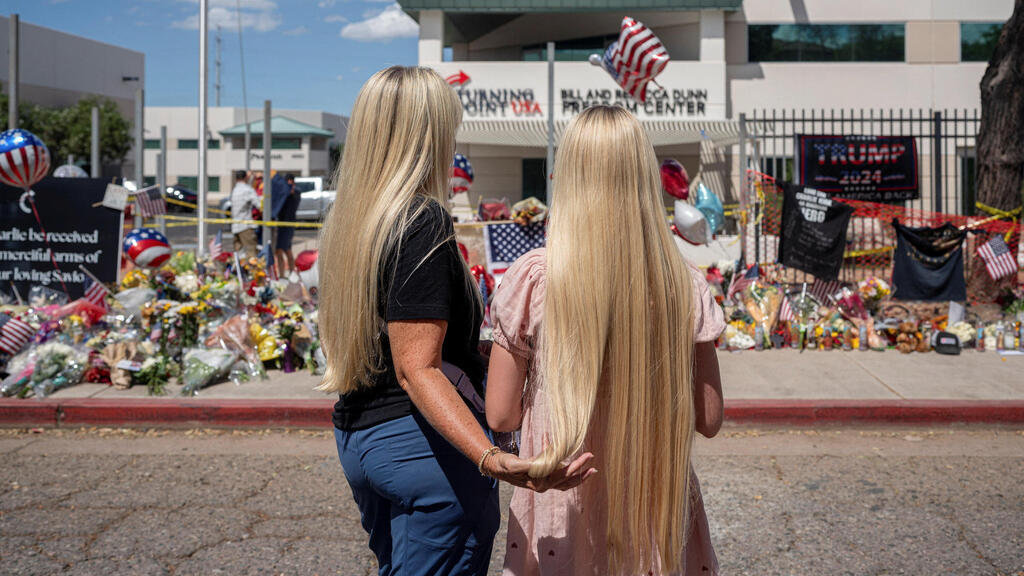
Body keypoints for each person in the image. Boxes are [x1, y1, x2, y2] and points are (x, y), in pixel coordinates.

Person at [317, 66, 595, 576]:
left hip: (360, 433)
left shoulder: (354, 222)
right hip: (422, 445)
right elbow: (415, 367)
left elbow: (393, 339)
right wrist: (494, 459)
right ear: (429, 135)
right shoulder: (421, 219)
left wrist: (475, 348)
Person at [486, 105, 726, 576]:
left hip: (561, 510)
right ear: (644, 177)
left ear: (568, 176)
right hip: (653, 508)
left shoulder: (534, 278)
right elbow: (709, 418)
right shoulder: (683, 285)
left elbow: (501, 414)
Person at [274, 173, 300, 275]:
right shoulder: (289, 192)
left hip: (287, 225)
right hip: (284, 225)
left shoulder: (294, 193)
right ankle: (291, 273)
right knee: (287, 250)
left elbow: (291, 193)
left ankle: (282, 275)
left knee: (279, 251)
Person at [230, 170, 260, 258]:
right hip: (245, 226)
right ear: (245, 177)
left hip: (235, 226)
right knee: (251, 253)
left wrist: (250, 178)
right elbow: (259, 205)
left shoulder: (235, 190)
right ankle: (253, 272)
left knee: (238, 255)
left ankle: (238, 271)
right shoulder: (248, 190)